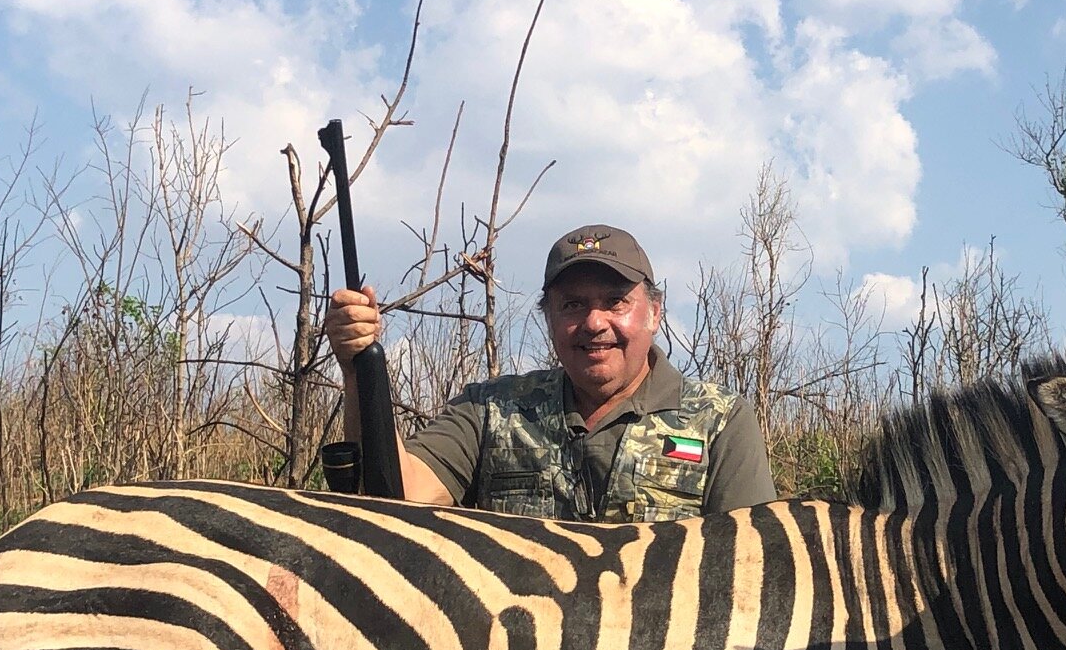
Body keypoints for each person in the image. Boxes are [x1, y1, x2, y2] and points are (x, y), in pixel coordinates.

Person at [322, 223, 777, 521]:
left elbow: (752, 566)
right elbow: (393, 496)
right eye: (573, 305)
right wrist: (358, 369)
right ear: (549, 318)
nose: (594, 322)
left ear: (654, 312)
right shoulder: (490, 409)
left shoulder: (719, 420)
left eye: (615, 302)